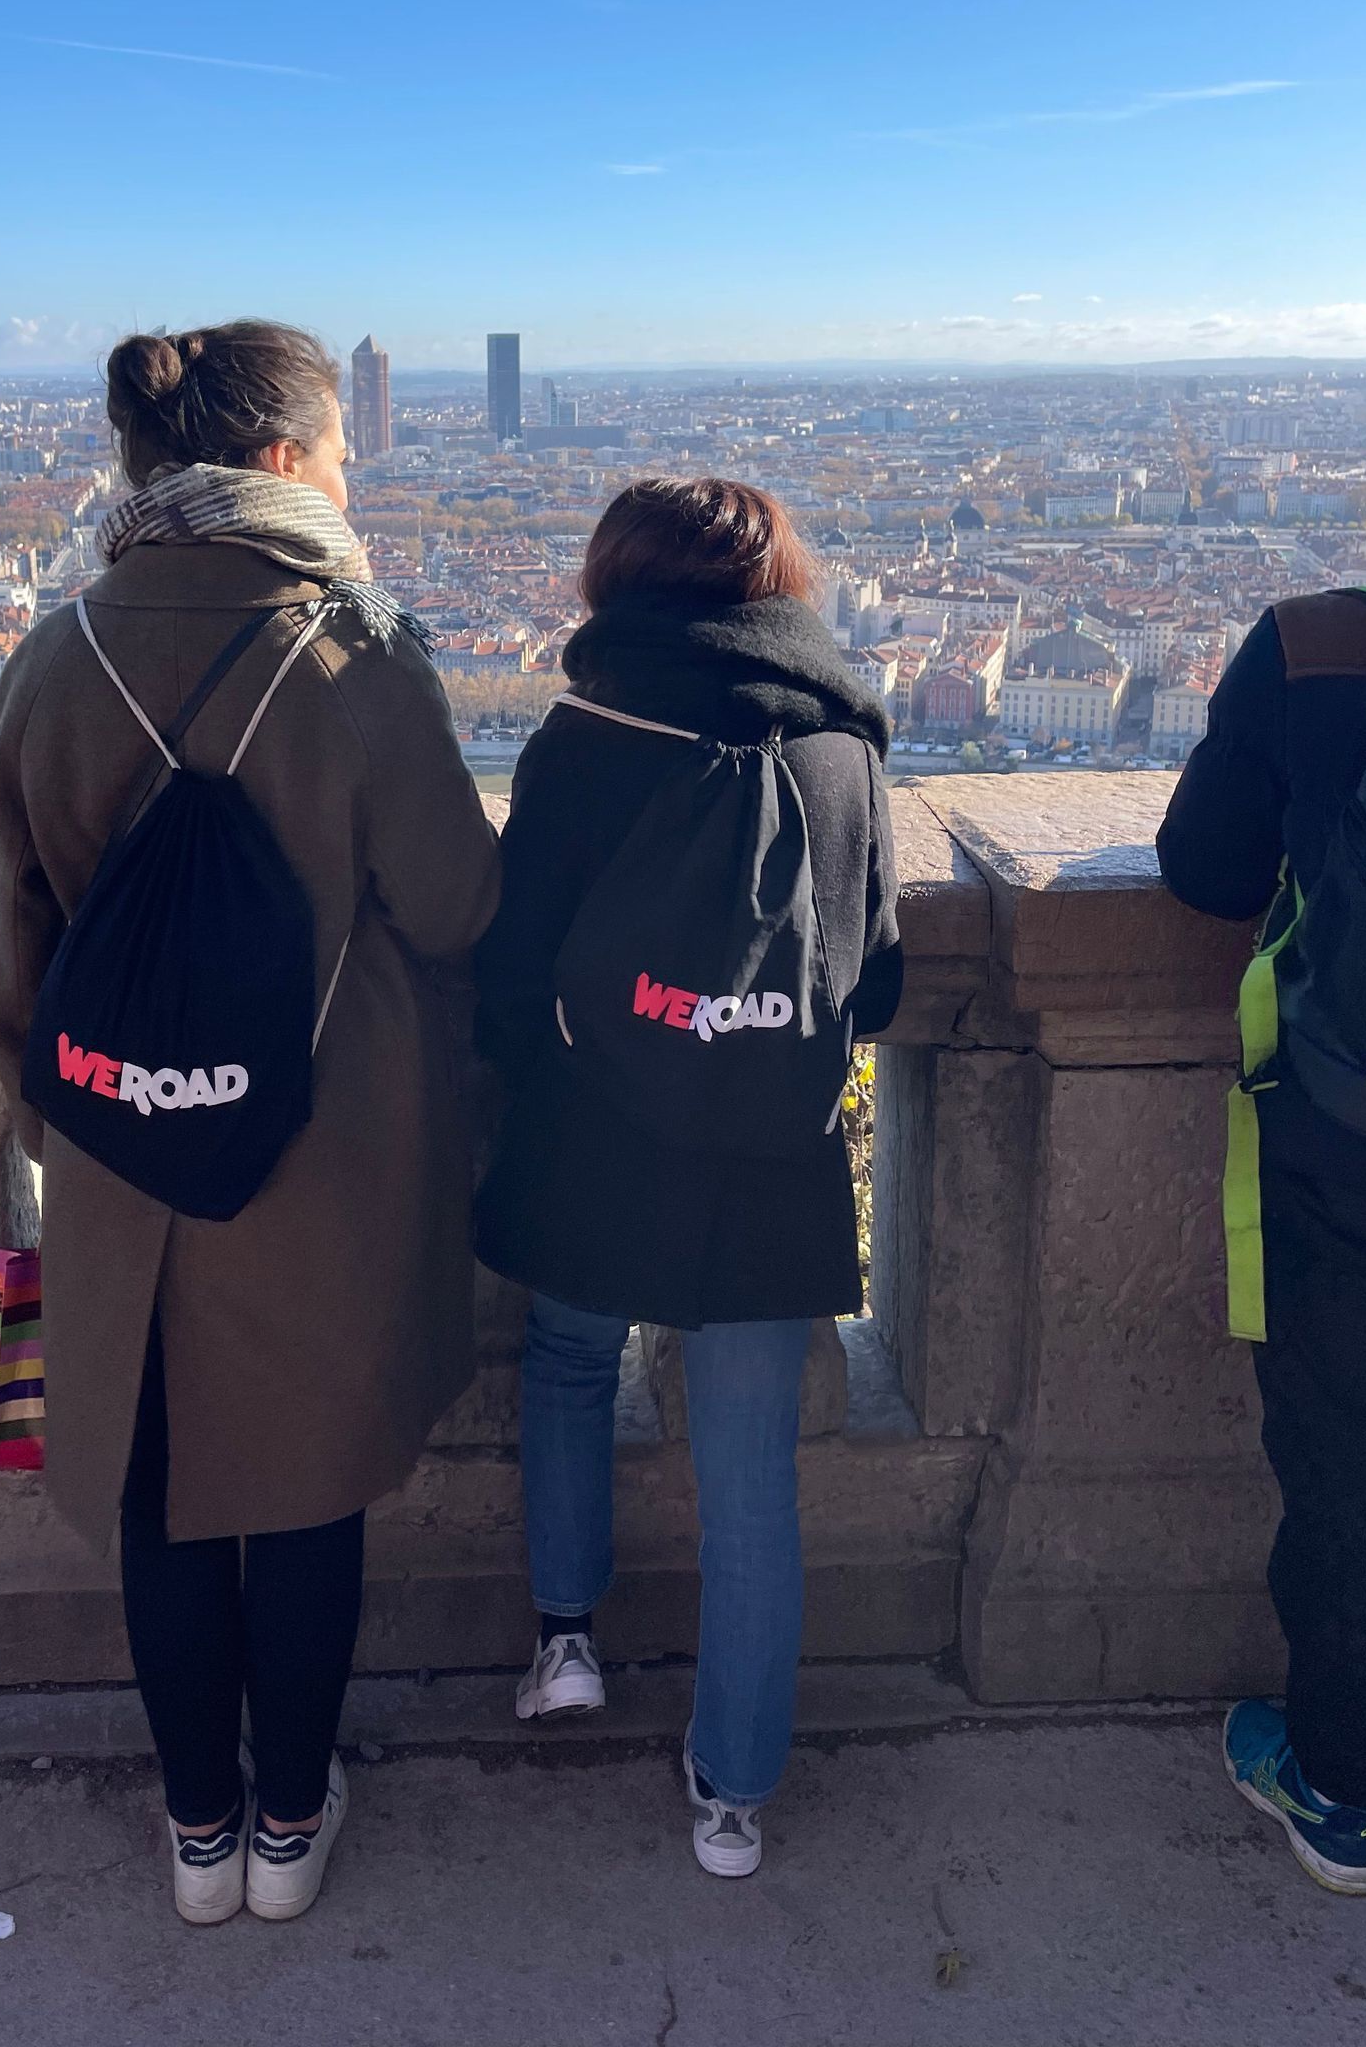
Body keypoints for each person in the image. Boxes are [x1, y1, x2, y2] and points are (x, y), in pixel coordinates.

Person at [0, 321, 498, 1925]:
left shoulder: (57, 656)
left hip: (135, 1156)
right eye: (342, 451)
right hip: (326, 1158)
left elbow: (16, 959)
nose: (354, 476)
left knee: (162, 1488)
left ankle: (199, 1832)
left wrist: (95, 1115)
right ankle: (289, 1824)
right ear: (278, 465)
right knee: (306, 1483)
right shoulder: (359, 652)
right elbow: (459, 902)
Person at [473, 476, 902, 1878]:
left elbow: (509, 966)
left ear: (619, 583)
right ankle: (734, 1793)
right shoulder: (846, 748)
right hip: (769, 1155)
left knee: (570, 1362)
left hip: (600, 1132)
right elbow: (876, 985)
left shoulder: (586, 734)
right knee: (750, 1476)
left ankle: (567, 1642)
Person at [1157, 304, 1366, 1897]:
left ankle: (1342, 1788)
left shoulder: (1321, 644)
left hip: (1348, 1129)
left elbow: (1204, 871)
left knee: (1343, 1471)